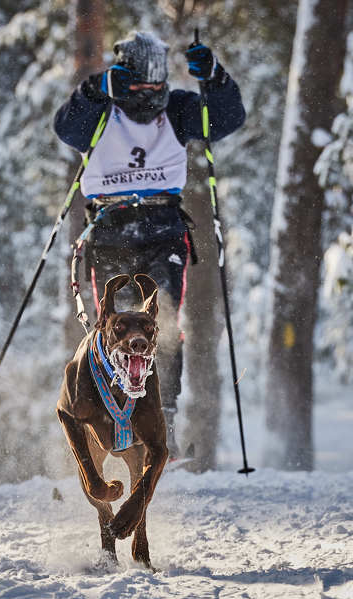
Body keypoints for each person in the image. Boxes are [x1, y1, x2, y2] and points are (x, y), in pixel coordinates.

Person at [54, 31, 245, 457]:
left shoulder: (177, 109)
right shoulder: (102, 108)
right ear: (122, 76)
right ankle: (110, 416)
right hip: (110, 228)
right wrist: (94, 90)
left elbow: (226, 119)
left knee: (162, 326)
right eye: (138, 83)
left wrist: (214, 78)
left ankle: (161, 418)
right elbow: (67, 128)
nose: (147, 93)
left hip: (162, 229)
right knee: (112, 327)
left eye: (155, 84)